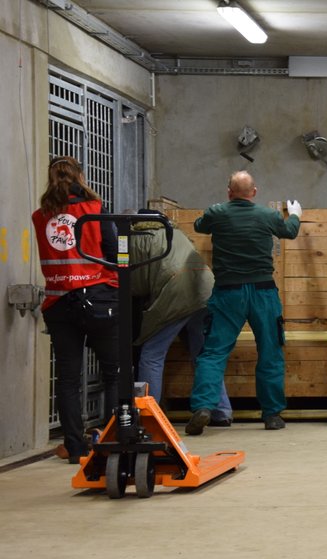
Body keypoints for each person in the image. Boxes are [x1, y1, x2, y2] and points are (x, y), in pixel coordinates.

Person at [185, 170, 302, 435]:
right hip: (263, 293)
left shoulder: (217, 213)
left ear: (229, 192)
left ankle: (203, 407)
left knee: (213, 353)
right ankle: (272, 415)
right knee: (270, 352)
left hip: (228, 294)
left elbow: (199, 225)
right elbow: (290, 232)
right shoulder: (269, 216)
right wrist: (295, 214)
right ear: (255, 192)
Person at [32, 156, 120, 463]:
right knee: (113, 372)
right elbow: (114, 250)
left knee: (68, 380)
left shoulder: (41, 216)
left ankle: (74, 446)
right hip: (98, 300)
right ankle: (111, 441)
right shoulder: (95, 209)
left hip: (59, 305)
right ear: (80, 176)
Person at [129, 209, 233, 426]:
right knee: (204, 354)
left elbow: (136, 284)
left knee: (151, 353)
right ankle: (220, 410)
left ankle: (149, 417)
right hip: (205, 289)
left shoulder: (137, 239)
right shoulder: (176, 233)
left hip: (176, 294)